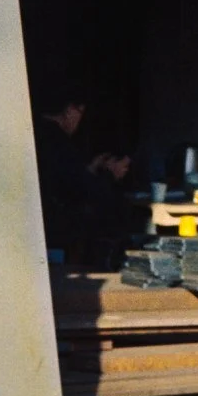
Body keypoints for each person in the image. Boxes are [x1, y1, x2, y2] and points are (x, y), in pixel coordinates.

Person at [36, 91, 134, 270]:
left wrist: (90, 169)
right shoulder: (57, 142)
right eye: (80, 112)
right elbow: (81, 190)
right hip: (57, 231)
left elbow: (67, 178)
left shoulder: (38, 133)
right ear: (70, 110)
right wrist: (111, 174)